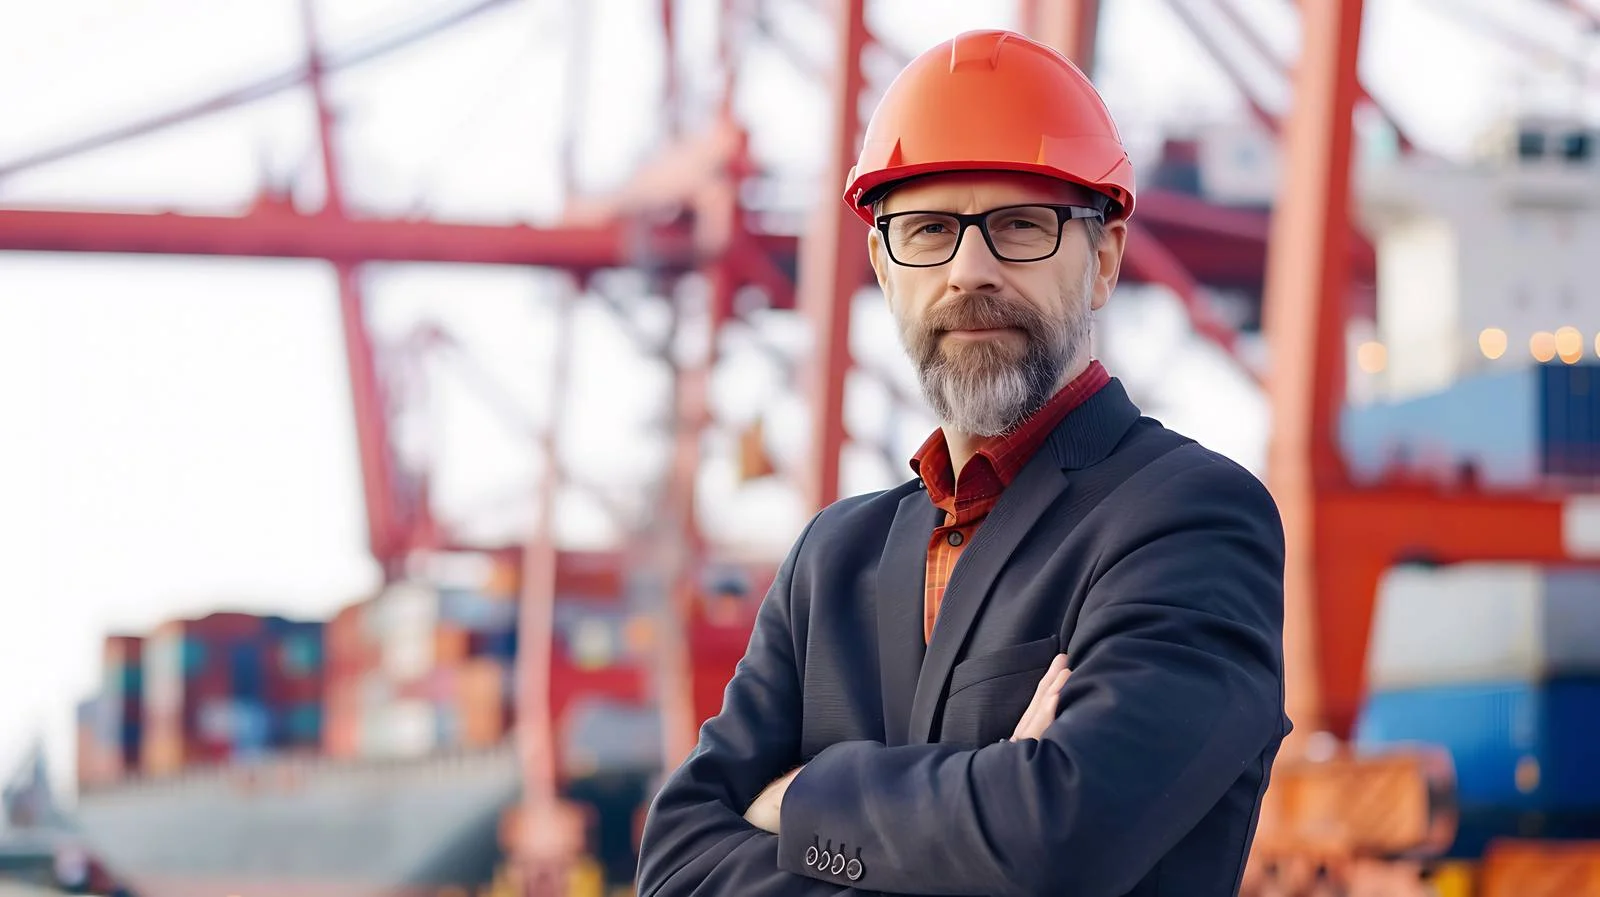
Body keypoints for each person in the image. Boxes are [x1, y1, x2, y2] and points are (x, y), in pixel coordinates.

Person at [635, 28, 1290, 897]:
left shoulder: (1193, 520)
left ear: (1103, 260)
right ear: (882, 266)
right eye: (929, 230)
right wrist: (985, 818)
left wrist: (800, 799)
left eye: (1020, 226)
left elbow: (1063, 841)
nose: (969, 271)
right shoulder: (829, 560)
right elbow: (675, 863)